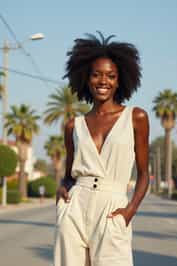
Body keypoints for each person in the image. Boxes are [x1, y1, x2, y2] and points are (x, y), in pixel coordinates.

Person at [54, 32, 149, 266]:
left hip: (112, 206)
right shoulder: (73, 126)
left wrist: (130, 211)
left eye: (110, 76)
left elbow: (144, 174)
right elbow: (69, 175)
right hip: (75, 207)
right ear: (86, 79)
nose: (103, 81)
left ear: (120, 80)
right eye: (96, 75)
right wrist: (63, 189)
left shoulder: (136, 117)